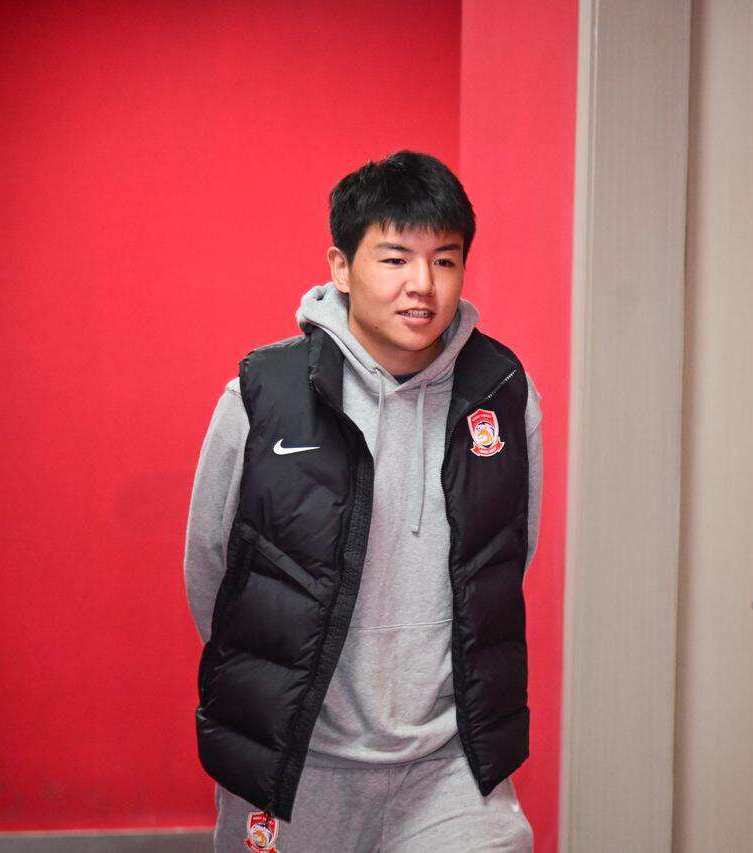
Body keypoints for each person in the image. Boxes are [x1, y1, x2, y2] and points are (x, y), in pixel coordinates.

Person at [183, 150, 542, 852]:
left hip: (450, 764)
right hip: (297, 763)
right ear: (341, 267)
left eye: (445, 260)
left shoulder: (501, 393)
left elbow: (506, 557)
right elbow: (212, 570)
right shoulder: (264, 393)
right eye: (395, 258)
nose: (422, 285)